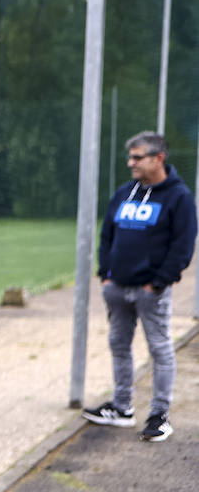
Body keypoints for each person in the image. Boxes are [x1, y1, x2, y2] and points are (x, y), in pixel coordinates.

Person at [83, 131, 195, 442]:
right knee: (119, 346)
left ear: (159, 158)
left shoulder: (179, 197)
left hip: (151, 291)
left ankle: (159, 415)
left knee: (160, 349)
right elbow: (107, 235)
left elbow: (183, 246)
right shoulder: (124, 193)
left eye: (137, 157)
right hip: (116, 287)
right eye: (130, 157)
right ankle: (121, 408)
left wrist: (157, 283)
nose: (131, 163)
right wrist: (106, 275)